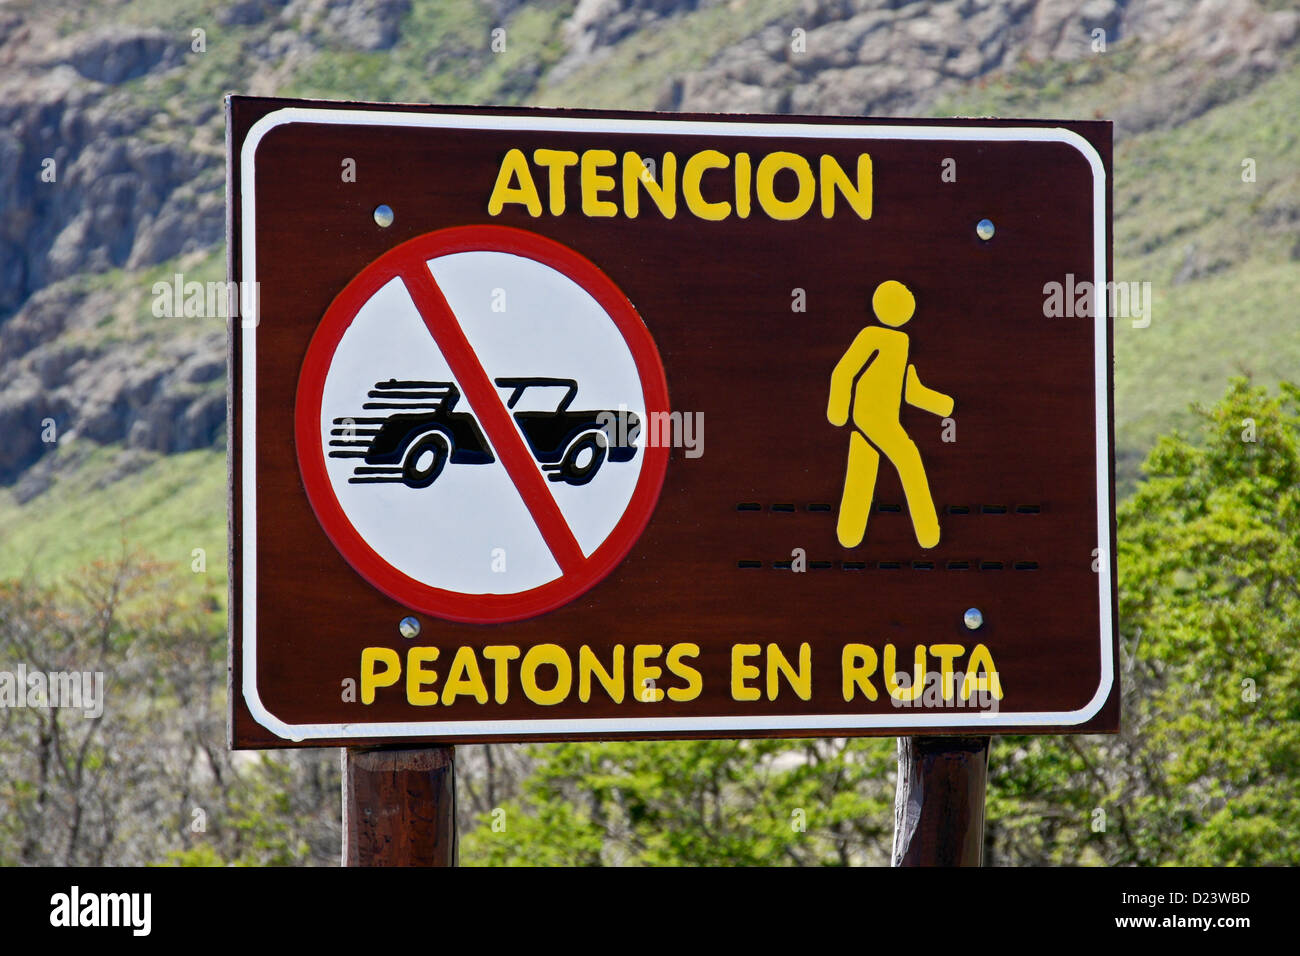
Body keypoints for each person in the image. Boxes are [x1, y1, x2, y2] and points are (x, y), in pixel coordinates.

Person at [827, 280, 954, 549]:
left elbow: (908, 390)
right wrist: (837, 411)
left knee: (863, 466)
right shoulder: (871, 336)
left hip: (882, 417)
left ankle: (849, 532)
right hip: (870, 416)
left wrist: (941, 405)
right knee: (908, 459)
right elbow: (844, 371)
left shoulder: (902, 342)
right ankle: (927, 531)